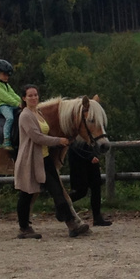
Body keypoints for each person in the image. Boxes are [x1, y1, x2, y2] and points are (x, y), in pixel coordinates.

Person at [12, 85, 89, 239]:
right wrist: (58, 141)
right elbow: (36, 137)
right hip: (31, 159)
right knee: (27, 194)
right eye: (30, 95)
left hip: (45, 158)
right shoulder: (25, 115)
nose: (34, 98)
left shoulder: (39, 113)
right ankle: (24, 228)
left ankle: (71, 224)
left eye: (35, 95)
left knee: (57, 191)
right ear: (24, 98)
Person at [0, 59, 22, 147]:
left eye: (8, 75)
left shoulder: (6, 85)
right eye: (4, 74)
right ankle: (6, 139)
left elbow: (13, 95)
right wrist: (17, 104)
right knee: (10, 118)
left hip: (9, 105)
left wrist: (22, 102)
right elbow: (5, 97)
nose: (7, 77)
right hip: (1, 106)